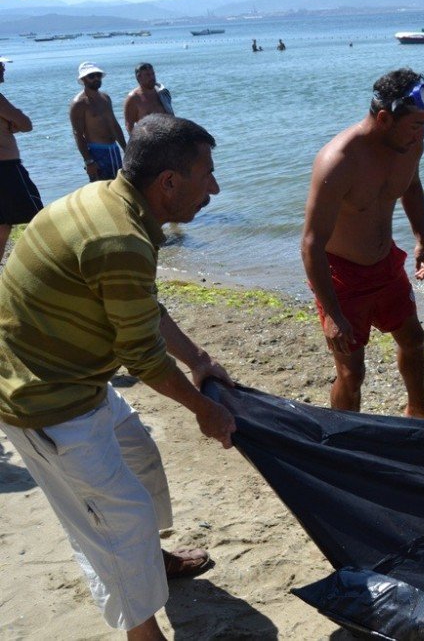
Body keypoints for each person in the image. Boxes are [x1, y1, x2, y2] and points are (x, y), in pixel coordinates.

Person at [0, 114, 237, 640]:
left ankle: (152, 559)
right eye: (207, 175)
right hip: (43, 399)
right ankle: (142, 632)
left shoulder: (111, 200)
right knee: (116, 521)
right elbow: (144, 359)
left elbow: (142, 305)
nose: (214, 188)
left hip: (75, 374)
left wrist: (198, 360)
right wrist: (205, 408)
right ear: (168, 183)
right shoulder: (122, 239)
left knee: (141, 459)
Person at [301, 68, 424, 419]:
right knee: (352, 372)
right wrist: (332, 313)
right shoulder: (338, 161)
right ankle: (346, 436)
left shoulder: (410, 143)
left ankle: (417, 408)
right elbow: (311, 244)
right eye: (415, 125)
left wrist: (421, 240)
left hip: (386, 264)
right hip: (342, 277)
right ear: (383, 118)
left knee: (413, 339)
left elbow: (411, 186)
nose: (422, 133)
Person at [0, 56, 42, 260]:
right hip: (7, 167)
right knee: (39, 217)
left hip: (6, 166)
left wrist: (8, 124)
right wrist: (12, 121)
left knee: (3, 226)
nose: (3, 69)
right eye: (0, 66)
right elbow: (26, 124)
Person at [70, 62, 127, 182]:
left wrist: (126, 150)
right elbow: (78, 134)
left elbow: (115, 126)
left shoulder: (105, 98)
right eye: (91, 76)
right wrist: (88, 160)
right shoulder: (79, 104)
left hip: (114, 150)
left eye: (98, 75)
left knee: (119, 187)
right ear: (83, 79)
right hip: (97, 153)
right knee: (101, 192)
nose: (96, 78)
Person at [123, 62, 174, 136]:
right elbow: (129, 126)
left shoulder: (161, 93)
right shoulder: (133, 98)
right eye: (148, 75)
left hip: (169, 137)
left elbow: (171, 115)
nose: (152, 77)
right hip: (149, 141)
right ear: (139, 77)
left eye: (153, 74)